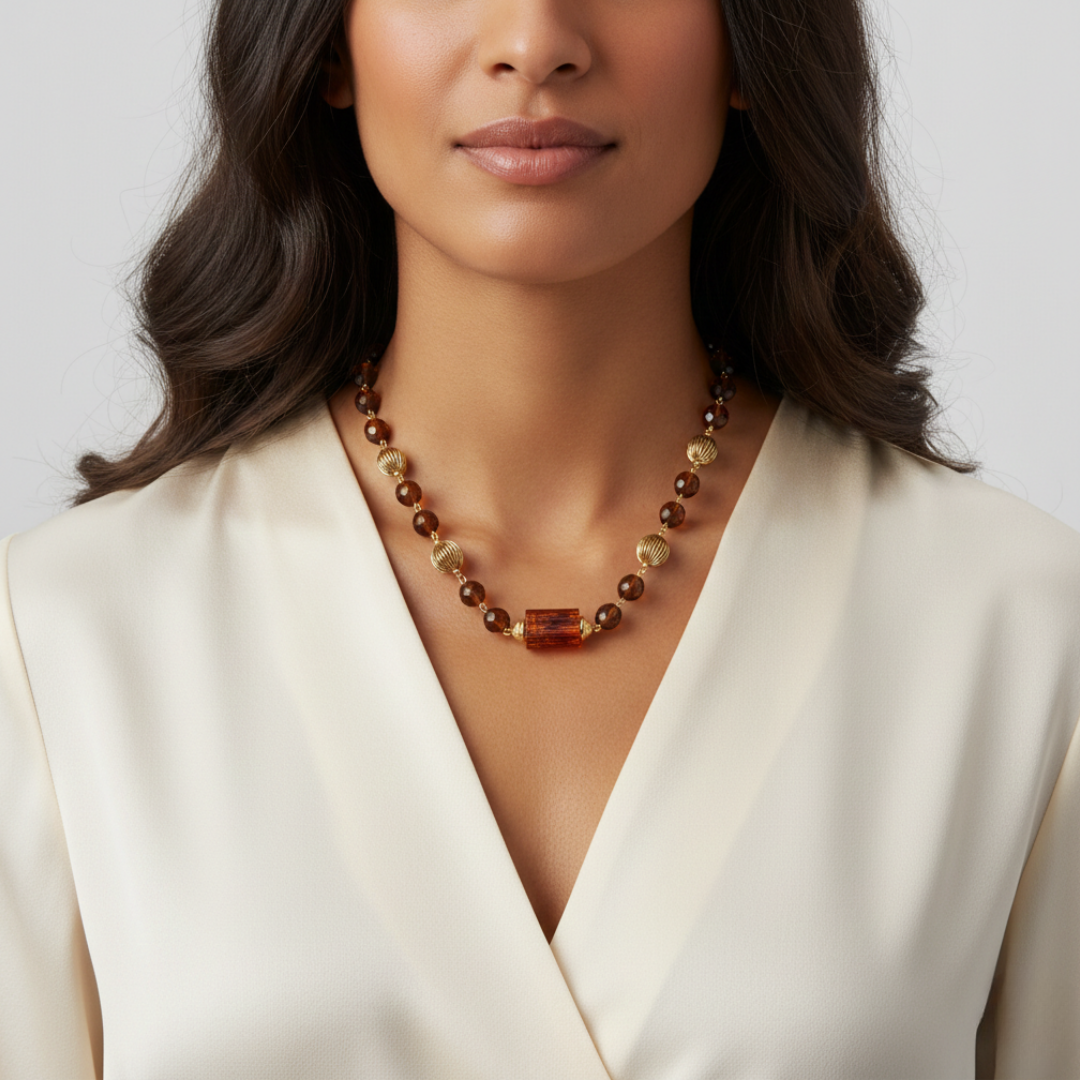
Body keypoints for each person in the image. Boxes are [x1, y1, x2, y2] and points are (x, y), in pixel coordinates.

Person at [1, 0, 1077, 1074]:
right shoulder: (64, 639)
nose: (535, 38)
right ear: (331, 48)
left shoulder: (1017, 627)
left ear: (751, 49)